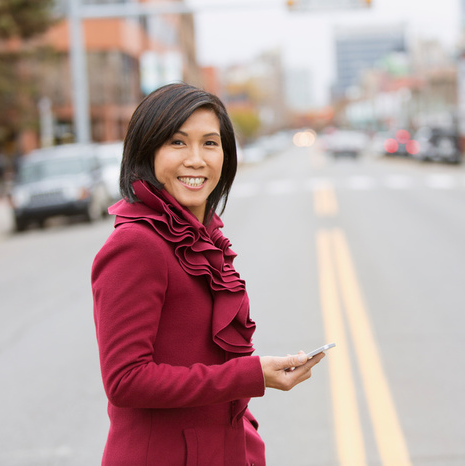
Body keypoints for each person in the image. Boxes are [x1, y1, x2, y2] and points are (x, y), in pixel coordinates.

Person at [91, 83, 324, 466]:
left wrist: (245, 440)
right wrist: (252, 375)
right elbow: (126, 381)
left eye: (210, 143)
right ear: (147, 153)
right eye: (178, 143)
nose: (196, 159)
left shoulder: (202, 239)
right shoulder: (136, 245)